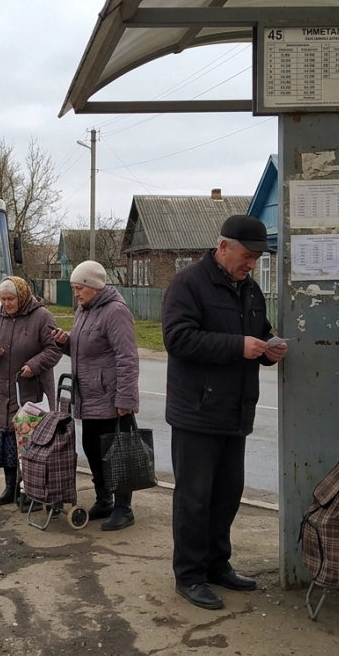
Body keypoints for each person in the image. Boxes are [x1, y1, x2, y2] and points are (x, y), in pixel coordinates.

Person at [161, 214, 288, 611]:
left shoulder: (250, 289)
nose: (252, 265)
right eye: (247, 256)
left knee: (227, 495)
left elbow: (258, 332)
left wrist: (269, 348)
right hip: (196, 413)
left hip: (235, 411)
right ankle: (190, 574)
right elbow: (177, 339)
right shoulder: (188, 283)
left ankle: (217, 564)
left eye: (257, 259)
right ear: (223, 247)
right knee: (195, 499)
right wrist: (238, 346)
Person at [49, 260, 140, 531]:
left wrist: (125, 399)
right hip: (88, 398)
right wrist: (65, 343)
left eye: (79, 288)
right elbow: (84, 350)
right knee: (92, 450)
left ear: (94, 287)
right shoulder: (83, 311)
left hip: (111, 400)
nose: (76, 293)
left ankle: (124, 509)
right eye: (74, 288)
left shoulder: (116, 312)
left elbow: (128, 358)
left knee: (117, 455)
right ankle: (104, 501)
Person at [0, 276, 62, 506]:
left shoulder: (42, 317)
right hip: (2, 391)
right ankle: (11, 488)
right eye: (3, 299)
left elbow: (54, 349)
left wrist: (33, 365)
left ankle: (32, 492)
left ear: (22, 296)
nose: (6, 304)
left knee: (31, 445)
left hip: (30, 391)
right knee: (7, 443)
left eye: (10, 299)